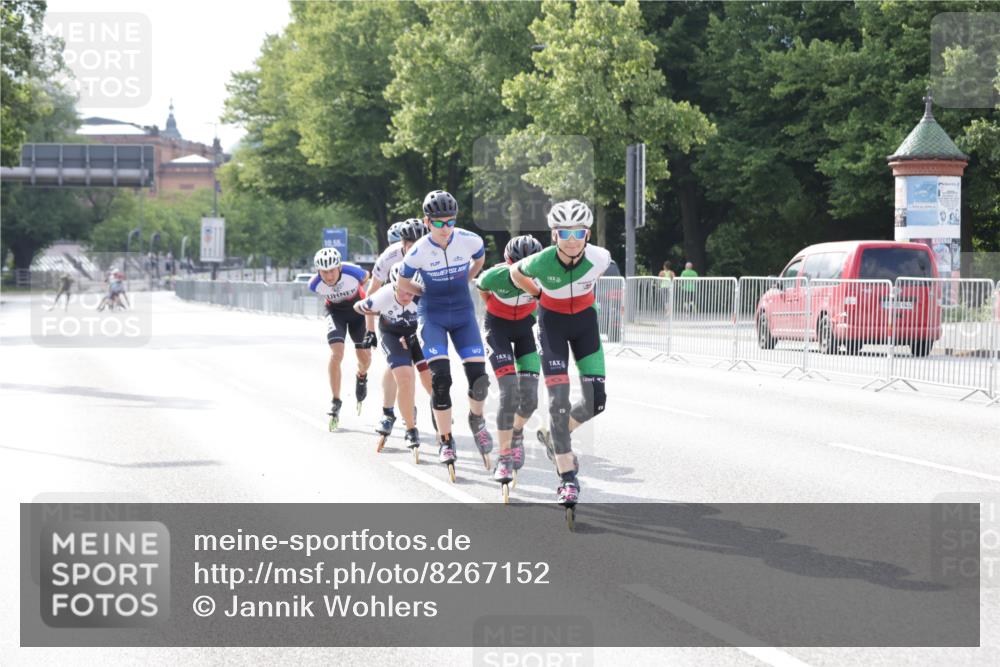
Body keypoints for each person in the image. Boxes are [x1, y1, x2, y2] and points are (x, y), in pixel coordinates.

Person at [509, 200, 610, 508]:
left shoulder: (600, 258)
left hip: (585, 324)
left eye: (578, 232)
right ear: (554, 235)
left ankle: (555, 435)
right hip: (551, 325)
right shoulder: (540, 261)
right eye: (564, 232)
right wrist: (537, 293)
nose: (571, 239)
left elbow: (592, 278)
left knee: (596, 401)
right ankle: (567, 478)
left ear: (587, 234)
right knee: (558, 403)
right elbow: (515, 271)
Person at [397, 190, 492, 474]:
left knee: (480, 380)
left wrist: (466, 279)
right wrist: (423, 292)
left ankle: (476, 419)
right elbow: (402, 281)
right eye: (438, 223)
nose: (445, 228)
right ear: (427, 222)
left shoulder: (470, 239)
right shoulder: (418, 250)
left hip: (463, 315)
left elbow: (480, 259)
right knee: (441, 380)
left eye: (450, 221)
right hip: (433, 316)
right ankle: (446, 440)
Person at [475, 235, 544, 487]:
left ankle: (516, 432)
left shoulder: (543, 275)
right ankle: (503, 457)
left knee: (530, 400)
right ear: (508, 262)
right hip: (498, 329)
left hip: (526, 329)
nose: (522, 271)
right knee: (509, 393)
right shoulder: (494, 276)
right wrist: (495, 308)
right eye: (517, 265)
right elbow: (482, 289)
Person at [354, 263, 432, 452]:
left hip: (416, 335)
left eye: (411, 292)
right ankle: (398, 421)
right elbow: (358, 307)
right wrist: (374, 313)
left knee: (429, 377)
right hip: (392, 335)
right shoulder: (384, 294)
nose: (407, 296)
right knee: (403, 375)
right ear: (394, 286)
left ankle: (437, 406)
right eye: (402, 290)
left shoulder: (423, 295)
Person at [365, 219, 428, 435]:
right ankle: (388, 412)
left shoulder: (432, 253)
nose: (416, 249)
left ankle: (429, 406)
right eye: (411, 245)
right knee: (397, 365)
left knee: (422, 367)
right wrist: (370, 330)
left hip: (418, 313)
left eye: (420, 244)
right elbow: (372, 290)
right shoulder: (390, 256)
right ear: (402, 243)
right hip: (393, 312)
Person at [309, 247, 374, 430]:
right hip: (335, 313)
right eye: (324, 272)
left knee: (365, 359)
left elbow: (367, 277)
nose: (328, 276)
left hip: (357, 312)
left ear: (339, 267)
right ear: (318, 271)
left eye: (332, 271)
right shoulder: (314, 284)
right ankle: (335, 400)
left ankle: (361, 375)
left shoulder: (353, 272)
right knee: (336, 353)